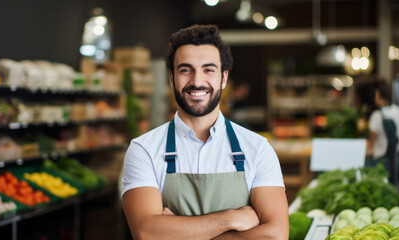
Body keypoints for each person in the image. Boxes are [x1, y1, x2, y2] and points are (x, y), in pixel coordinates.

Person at [121, 24, 289, 240]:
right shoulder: (143, 149)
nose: (197, 81)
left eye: (208, 69)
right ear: (171, 77)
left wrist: (177, 231)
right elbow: (147, 233)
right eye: (185, 70)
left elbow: (276, 235)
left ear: (224, 77)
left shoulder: (257, 149)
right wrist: (229, 219)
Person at [367, 79, 399, 188]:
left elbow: (372, 145)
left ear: (377, 94)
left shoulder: (377, 115)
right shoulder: (398, 111)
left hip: (385, 163)